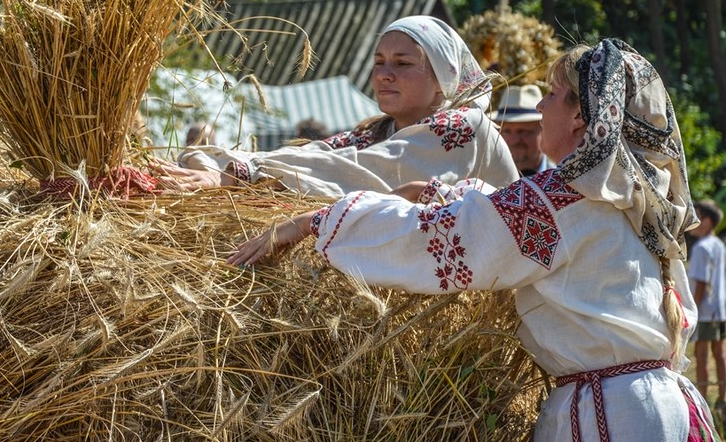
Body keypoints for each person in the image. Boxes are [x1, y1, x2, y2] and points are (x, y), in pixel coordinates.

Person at [229, 39, 719, 441]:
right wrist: (437, 192)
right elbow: (502, 214)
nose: (540, 106)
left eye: (552, 94)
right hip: (658, 408)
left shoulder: (565, 199)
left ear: (579, 116)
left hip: (612, 418)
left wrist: (317, 222)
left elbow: (435, 241)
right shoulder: (638, 200)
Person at [155, 15, 518, 197]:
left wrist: (244, 174)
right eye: (379, 62)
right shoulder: (377, 132)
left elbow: (358, 170)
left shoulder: (465, 128)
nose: (384, 74)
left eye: (403, 63)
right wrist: (223, 163)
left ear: (443, 80)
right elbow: (320, 154)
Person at [691, 199, 726, 410]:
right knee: (720, 354)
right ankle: (722, 400)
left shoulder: (701, 248)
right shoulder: (719, 244)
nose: (692, 221)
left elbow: (701, 283)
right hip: (720, 309)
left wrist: (692, 309)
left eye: (696, 216)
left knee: (701, 355)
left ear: (706, 221)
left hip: (705, 311)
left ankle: (702, 402)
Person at [490, 84, 554, 176]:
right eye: (507, 131)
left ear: (544, 131)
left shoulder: (565, 178)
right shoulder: (482, 180)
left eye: (523, 131)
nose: (514, 140)